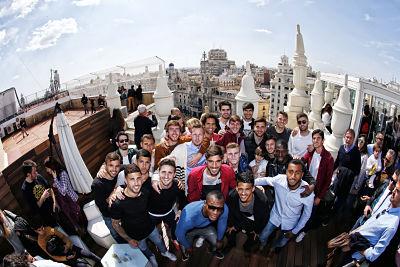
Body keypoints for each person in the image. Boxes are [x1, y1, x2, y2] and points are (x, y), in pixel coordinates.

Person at [110, 164, 176, 266]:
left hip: (151, 228)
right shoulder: (118, 203)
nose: (136, 183)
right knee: (144, 249)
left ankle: (164, 252)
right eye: (132, 179)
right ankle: (151, 257)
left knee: (159, 242)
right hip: (135, 236)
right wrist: (129, 239)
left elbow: (157, 176)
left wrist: (178, 181)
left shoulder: (146, 192)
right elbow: (115, 224)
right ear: (126, 181)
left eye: (138, 178)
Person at [329, 178, 400, 266]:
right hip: (350, 240)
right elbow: (371, 221)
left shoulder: (391, 225)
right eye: (395, 188)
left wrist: (356, 246)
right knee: (331, 259)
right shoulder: (389, 202)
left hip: (353, 256)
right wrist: (354, 233)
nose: (393, 191)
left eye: (397, 191)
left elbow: (374, 255)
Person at [255, 159, 314, 252]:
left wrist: (295, 231)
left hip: (290, 222)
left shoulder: (307, 192)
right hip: (275, 216)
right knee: (263, 236)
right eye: (290, 172)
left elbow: (306, 215)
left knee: (282, 242)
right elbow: (265, 180)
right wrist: (250, 183)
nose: (293, 176)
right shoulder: (279, 179)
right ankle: (263, 244)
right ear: (286, 172)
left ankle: (274, 248)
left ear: (302, 175)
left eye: (297, 173)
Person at [295, 129, 334, 242]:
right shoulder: (311, 152)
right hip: (306, 187)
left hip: (317, 191)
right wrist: (297, 159)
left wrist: (319, 197)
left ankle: (304, 231)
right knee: (301, 208)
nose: (316, 140)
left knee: (310, 213)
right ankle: (297, 227)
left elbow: (327, 181)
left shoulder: (328, 158)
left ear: (323, 140)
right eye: (314, 138)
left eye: (318, 138)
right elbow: (302, 161)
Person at [175, 190, 228, 261]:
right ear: (205, 204)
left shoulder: (224, 208)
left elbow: (222, 223)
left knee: (218, 244)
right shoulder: (188, 216)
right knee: (185, 247)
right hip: (189, 231)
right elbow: (179, 234)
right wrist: (188, 247)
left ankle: (212, 250)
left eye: (219, 209)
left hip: (206, 227)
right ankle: (185, 254)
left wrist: (219, 239)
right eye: (212, 207)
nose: (216, 212)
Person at [225, 172, 270, 253]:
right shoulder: (232, 196)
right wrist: (231, 225)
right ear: (236, 188)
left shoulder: (262, 200)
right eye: (240, 189)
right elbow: (230, 212)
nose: (243, 193)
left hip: (253, 220)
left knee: (253, 238)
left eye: (247, 189)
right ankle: (231, 245)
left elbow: (264, 218)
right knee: (229, 232)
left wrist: (257, 230)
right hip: (238, 217)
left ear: (253, 189)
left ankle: (247, 248)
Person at [148, 158, 186, 250]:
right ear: (158, 173)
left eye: (170, 173)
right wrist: (118, 189)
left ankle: (174, 239)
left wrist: (180, 210)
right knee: (155, 235)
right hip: (152, 215)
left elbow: (183, 199)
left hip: (168, 212)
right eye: (163, 172)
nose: (166, 176)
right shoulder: (150, 186)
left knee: (175, 226)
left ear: (174, 174)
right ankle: (159, 246)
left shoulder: (177, 185)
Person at [33, 222, 101, 266]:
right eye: (39, 230)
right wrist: (66, 258)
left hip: (69, 247)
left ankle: (104, 263)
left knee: (89, 254)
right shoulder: (40, 242)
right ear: (35, 231)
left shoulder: (49, 229)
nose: (42, 230)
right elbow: (52, 256)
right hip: (64, 255)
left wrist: (67, 246)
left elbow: (63, 237)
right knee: (82, 265)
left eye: (42, 227)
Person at [91, 152, 124, 243]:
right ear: (106, 165)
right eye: (111, 165)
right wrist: (113, 193)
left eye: (117, 166)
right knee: (117, 235)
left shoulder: (120, 170)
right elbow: (102, 207)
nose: (114, 169)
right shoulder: (97, 184)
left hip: (121, 212)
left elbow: (131, 167)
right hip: (109, 216)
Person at [43, 157, 82, 234]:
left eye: (47, 168)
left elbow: (63, 191)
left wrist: (55, 179)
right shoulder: (57, 175)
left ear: (51, 167)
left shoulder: (62, 174)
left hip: (71, 200)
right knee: (73, 219)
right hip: (66, 202)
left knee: (78, 218)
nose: (47, 170)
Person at [21, 160, 57, 227]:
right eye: (34, 172)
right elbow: (35, 209)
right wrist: (43, 197)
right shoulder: (25, 189)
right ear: (28, 174)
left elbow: (50, 188)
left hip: (55, 211)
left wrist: (55, 203)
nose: (37, 173)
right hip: (48, 220)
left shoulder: (39, 177)